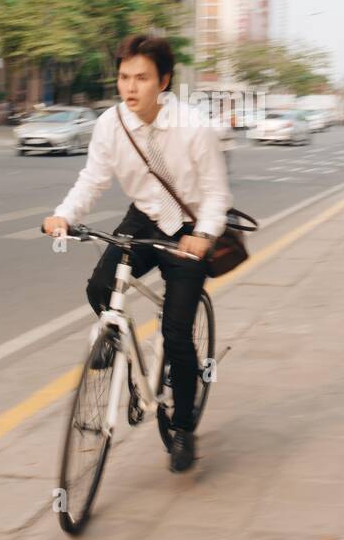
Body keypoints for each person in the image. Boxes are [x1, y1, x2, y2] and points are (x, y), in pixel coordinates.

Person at [42, 35, 231, 473]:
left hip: (189, 227)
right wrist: (63, 215)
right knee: (99, 288)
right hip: (144, 217)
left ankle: (182, 427)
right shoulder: (111, 124)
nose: (131, 87)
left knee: (179, 336)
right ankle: (122, 347)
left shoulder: (194, 127)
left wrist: (203, 235)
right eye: (124, 77)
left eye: (142, 78)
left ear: (163, 81)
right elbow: (92, 179)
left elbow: (217, 193)